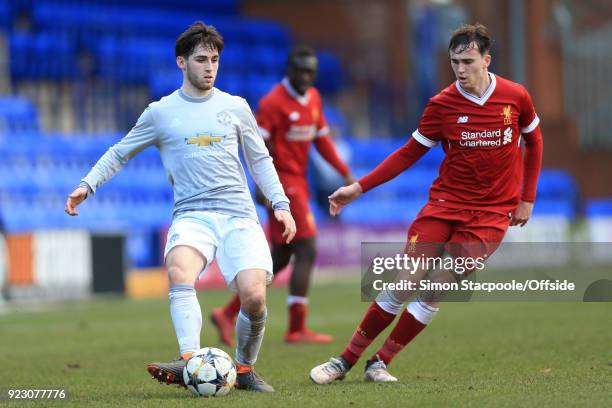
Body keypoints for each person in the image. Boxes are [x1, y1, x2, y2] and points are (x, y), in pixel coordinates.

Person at [64, 21, 296, 393]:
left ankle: (245, 369)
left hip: (239, 215)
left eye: (215, 59)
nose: (209, 66)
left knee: (254, 297)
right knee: (178, 270)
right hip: (193, 215)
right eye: (201, 59)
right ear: (181, 63)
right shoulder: (160, 112)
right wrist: (86, 185)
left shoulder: (235, 107)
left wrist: (281, 204)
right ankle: (190, 362)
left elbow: (260, 160)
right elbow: (119, 152)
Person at [309, 23, 543, 384]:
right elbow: (407, 154)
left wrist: (527, 198)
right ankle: (344, 361)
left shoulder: (515, 97)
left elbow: (534, 141)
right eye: (454, 62)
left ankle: (380, 362)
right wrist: (359, 187)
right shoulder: (442, 104)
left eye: (468, 61)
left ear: (487, 60)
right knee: (407, 279)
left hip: (492, 214)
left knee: (438, 285)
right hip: (444, 205)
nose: (461, 70)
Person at [211, 46, 354, 345]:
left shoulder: (313, 98)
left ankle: (227, 313)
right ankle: (297, 327)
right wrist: (261, 188)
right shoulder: (272, 103)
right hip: (280, 185)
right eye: (299, 70)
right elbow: (255, 148)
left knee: (282, 257)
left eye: (310, 71)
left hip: (299, 182)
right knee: (308, 249)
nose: (304, 76)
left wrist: (345, 173)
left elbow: (323, 141)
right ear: (288, 71)